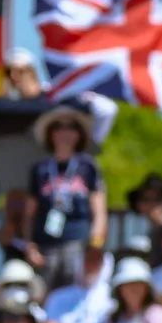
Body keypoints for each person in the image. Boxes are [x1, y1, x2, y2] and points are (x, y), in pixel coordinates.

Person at [27, 106, 106, 285]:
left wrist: (96, 240)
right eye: (59, 127)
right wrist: (30, 245)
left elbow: (99, 207)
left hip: (78, 238)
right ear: (51, 133)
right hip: (46, 242)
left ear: (78, 134)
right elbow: (30, 212)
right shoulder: (40, 169)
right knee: (46, 288)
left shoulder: (88, 166)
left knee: (75, 287)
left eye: (71, 128)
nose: (65, 133)